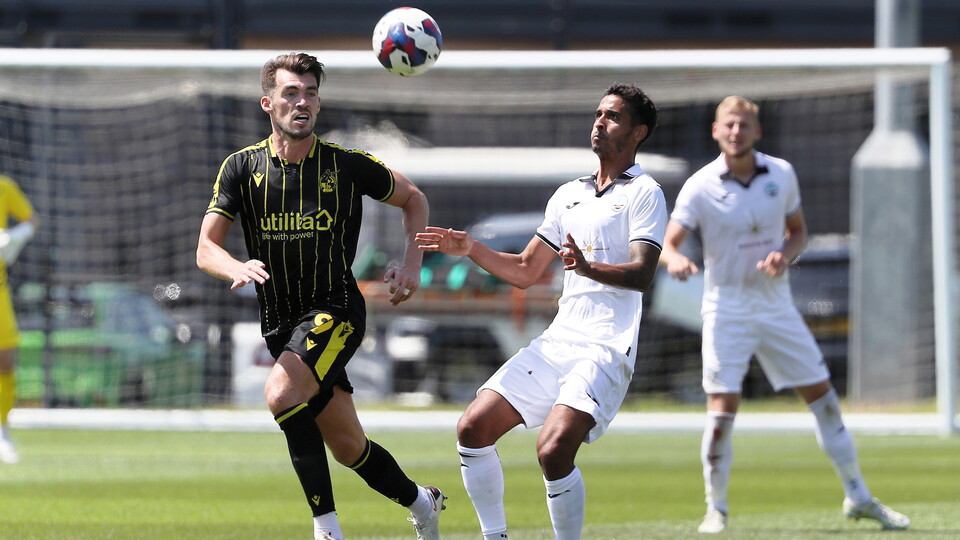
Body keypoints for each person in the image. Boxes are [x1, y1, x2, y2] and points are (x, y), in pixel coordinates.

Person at [196, 53, 444, 540]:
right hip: (280, 326)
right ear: (268, 103)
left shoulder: (346, 166)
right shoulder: (242, 168)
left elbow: (413, 198)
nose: (302, 101)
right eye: (291, 93)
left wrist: (411, 262)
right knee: (349, 447)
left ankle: (326, 530)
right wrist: (235, 265)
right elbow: (206, 247)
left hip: (335, 311)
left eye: (310, 93)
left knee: (281, 393)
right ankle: (422, 501)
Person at [417, 83, 667, 540]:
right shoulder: (568, 193)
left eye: (612, 116)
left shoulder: (645, 193)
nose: (599, 122)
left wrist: (590, 268)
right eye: (598, 113)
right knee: (472, 427)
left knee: (552, 450)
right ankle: (496, 537)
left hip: (606, 346)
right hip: (559, 340)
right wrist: (471, 248)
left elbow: (642, 273)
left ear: (637, 133)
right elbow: (526, 270)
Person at [658, 95, 911, 533]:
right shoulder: (701, 185)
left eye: (744, 125)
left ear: (757, 131)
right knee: (720, 416)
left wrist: (784, 255)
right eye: (728, 125)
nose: (736, 132)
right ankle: (715, 507)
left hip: (777, 309)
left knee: (827, 404)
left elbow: (798, 234)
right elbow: (667, 242)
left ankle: (859, 496)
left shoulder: (781, 173)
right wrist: (674, 259)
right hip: (727, 311)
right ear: (716, 131)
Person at [0, 174, 36, 465]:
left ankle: (2, 431)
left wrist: (16, 237)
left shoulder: (5, 187)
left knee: (5, 361)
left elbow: (32, 220)